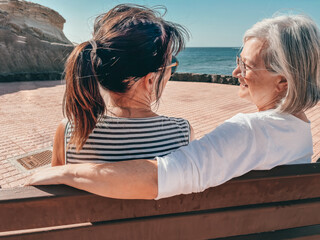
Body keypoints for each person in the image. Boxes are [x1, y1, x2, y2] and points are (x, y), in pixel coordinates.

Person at [27, 14, 320, 200]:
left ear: (283, 81)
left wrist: (66, 172)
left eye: (247, 65)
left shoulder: (250, 131)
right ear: (151, 79)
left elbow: (159, 177)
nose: (235, 73)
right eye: (238, 61)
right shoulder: (298, 126)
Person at [51, 4, 195, 167]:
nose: (172, 70)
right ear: (150, 80)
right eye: (171, 63)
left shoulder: (69, 132)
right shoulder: (181, 133)